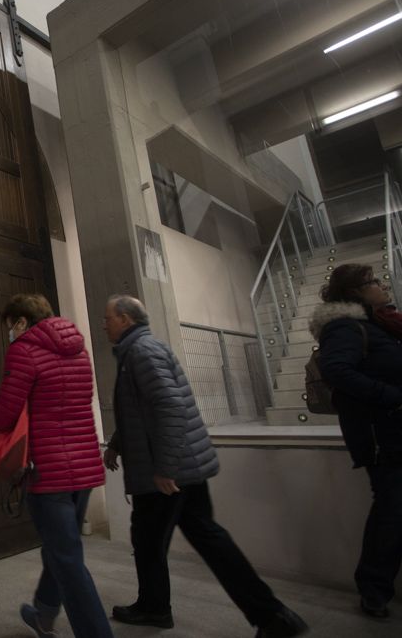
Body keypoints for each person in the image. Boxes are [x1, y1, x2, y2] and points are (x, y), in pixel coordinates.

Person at [102, 295, 308, 638]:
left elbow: (168, 408)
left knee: (153, 539)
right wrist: (117, 444)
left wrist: (166, 467)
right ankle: (272, 616)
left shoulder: (141, 352)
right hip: (181, 464)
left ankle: (159, 608)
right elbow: (141, 410)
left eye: (108, 317)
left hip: (167, 472)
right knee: (203, 538)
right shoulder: (140, 350)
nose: (104, 323)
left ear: (124, 319)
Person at [0, 293, 113, 638]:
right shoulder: (79, 351)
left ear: (22, 321)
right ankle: (43, 613)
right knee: (62, 549)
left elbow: (7, 412)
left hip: (48, 471)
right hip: (83, 467)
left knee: (67, 560)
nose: (9, 333)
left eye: (10, 326)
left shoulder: (23, 350)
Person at [309, 264, 402, 619]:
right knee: (391, 515)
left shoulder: (379, 325)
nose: (381, 284)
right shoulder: (345, 329)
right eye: (374, 281)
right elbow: (338, 371)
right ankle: (374, 590)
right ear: (356, 292)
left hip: (395, 432)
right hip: (385, 438)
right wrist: (392, 396)